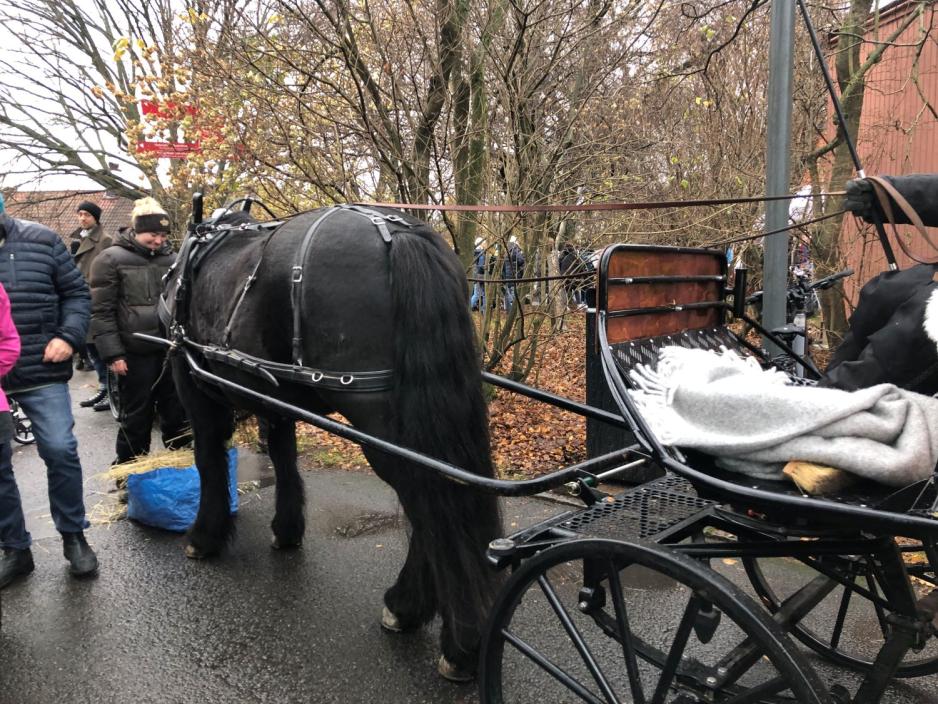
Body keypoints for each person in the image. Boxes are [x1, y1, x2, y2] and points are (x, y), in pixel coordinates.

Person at [0, 191, 98, 587]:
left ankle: (73, 536)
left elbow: (76, 294)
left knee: (59, 449)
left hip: (40, 366)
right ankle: (14, 548)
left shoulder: (42, 240)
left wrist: (69, 337)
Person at [90, 197, 190, 464]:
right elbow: (101, 311)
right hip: (134, 353)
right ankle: (130, 471)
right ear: (136, 230)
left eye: (162, 235)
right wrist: (113, 354)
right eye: (152, 235)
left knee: (177, 411)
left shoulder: (174, 258)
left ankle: (183, 468)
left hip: (171, 350)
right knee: (137, 415)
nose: (158, 241)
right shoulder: (110, 259)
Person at [71, 200, 113, 411]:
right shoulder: (79, 239)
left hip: (95, 302)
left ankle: (112, 392)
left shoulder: (104, 241)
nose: (82, 218)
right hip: (81, 302)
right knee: (90, 350)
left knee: (102, 350)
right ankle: (104, 387)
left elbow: (107, 275)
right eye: (80, 214)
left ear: (96, 217)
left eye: (86, 214)